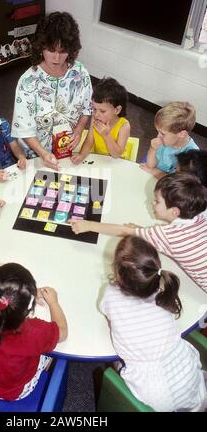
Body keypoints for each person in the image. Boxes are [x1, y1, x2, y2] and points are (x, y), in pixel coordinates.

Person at [99, 235, 207, 412]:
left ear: (118, 273)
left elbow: (104, 310)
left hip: (155, 391)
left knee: (115, 363)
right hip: (188, 375)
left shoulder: (111, 294)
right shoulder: (161, 292)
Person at [70, 173, 207, 292]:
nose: (152, 203)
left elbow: (124, 231)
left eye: (157, 201)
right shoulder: (201, 215)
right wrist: (145, 232)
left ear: (174, 212)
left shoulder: (166, 235)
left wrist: (88, 225)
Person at [0, 263, 68, 401]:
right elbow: (63, 332)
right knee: (52, 353)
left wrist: (26, 295)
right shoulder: (33, 333)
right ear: (30, 307)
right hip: (14, 391)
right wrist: (53, 303)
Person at [11, 11, 92, 170]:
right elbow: (23, 129)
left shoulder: (80, 73)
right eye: (51, 50)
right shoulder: (27, 82)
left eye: (62, 51)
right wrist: (43, 154)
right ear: (41, 47)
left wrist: (80, 127)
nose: (56, 58)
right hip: (36, 154)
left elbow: (87, 108)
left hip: (69, 149)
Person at [71, 77, 130, 164]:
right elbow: (89, 141)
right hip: (98, 159)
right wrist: (81, 155)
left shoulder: (124, 126)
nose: (96, 114)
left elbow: (116, 155)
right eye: (94, 109)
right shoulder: (95, 119)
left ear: (117, 110)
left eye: (102, 111)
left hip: (117, 162)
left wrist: (106, 135)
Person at [140, 101, 199, 179]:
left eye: (163, 133)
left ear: (182, 134)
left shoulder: (192, 156)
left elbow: (176, 183)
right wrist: (153, 149)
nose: (158, 136)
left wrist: (155, 172)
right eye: (158, 132)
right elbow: (150, 165)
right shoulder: (164, 141)